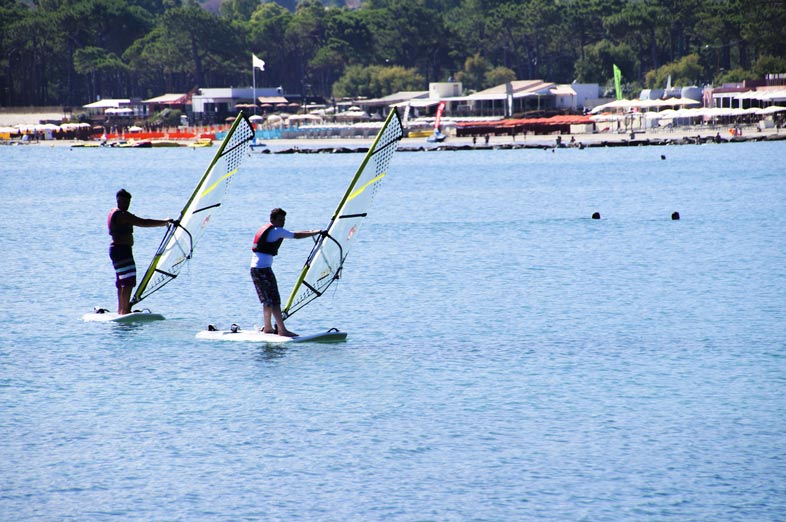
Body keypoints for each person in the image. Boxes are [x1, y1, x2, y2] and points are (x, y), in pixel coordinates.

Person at [250, 208, 323, 337]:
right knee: (274, 300)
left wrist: (313, 232)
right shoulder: (277, 231)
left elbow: (295, 232)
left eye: (284, 220)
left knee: (267, 300)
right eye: (280, 220)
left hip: (255, 269)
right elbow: (296, 235)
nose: (282, 222)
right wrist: (315, 232)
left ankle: (268, 328)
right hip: (263, 270)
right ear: (272, 219)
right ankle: (282, 330)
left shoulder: (268, 229)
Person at [108, 189, 173, 315]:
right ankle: (125, 310)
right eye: (124, 202)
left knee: (122, 280)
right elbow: (143, 222)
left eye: (128, 202)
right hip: (122, 251)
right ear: (118, 200)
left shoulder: (115, 212)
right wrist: (164, 222)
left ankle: (121, 309)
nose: (126, 205)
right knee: (128, 281)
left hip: (116, 251)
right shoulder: (121, 215)